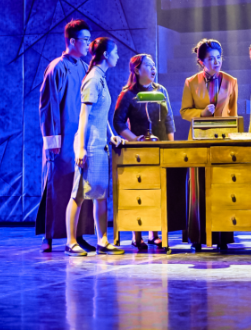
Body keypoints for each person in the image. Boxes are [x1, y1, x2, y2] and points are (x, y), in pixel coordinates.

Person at [36, 19, 95, 253]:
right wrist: (52, 141)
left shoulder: (84, 68)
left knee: (79, 186)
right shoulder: (57, 68)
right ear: (72, 41)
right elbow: (48, 106)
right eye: (85, 40)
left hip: (79, 138)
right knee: (57, 185)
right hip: (61, 139)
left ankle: (78, 234)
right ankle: (49, 236)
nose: (88, 44)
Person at [65, 37, 124, 257]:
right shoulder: (92, 79)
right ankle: (71, 242)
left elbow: (101, 114)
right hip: (89, 145)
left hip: (100, 145)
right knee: (78, 194)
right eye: (115, 52)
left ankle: (103, 241)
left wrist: (112, 136)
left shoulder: (101, 78)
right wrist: (81, 148)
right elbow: (84, 116)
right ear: (106, 55)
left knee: (101, 195)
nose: (118, 56)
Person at [180, 39, 238, 251]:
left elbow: (233, 114)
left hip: (223, 142)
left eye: (219, 58)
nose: (216, 62)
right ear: (201, 62)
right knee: (198, 188)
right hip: (198, 141)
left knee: (222, 187)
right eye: (211, 59)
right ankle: (197, 238)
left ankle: (222, 237)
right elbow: (184, 111)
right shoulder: (191, 82)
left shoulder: (231, 81)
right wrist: (202, 113)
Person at [114, 53, 175, 251]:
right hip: (138, 151)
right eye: (149, 65)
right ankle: (136, 236)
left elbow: (169, 119)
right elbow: (118, 122)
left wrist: (171, 145)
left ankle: (154, 234)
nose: (153, 69)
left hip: (160, 147)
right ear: (137, 70)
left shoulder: (161, 91)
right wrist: (134, 139)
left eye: (154, 65)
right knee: (140, 191)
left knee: (158, 190)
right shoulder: (128, 94)